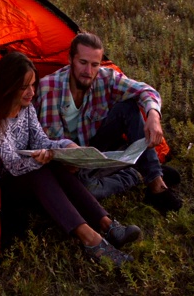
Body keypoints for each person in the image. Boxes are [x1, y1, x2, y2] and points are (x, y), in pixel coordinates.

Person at [0, 51, 141, 267]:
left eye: (33, 85)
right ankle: (92, 240)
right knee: (40, 169)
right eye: (24, 87)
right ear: (8, 86)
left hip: (34, 175)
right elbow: (13, 167)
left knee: (54, 165)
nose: (31, 92)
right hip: (9, 186)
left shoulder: (26, 109)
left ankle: (107, 224)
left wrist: (66, 148)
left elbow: (41, 140)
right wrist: (40, 160)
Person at [34, 32, 183, 215]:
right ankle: (137, 173)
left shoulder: (106, 78)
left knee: (128, 107)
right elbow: (48, 141)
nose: (88, 71)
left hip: (96, 144)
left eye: (94, 65)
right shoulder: (49, 88)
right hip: (68, 159)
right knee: (86, 191)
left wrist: (153, 115)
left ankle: (156, 186)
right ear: (70, 59)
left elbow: (145, 90)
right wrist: (68, 159)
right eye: (83, 63)